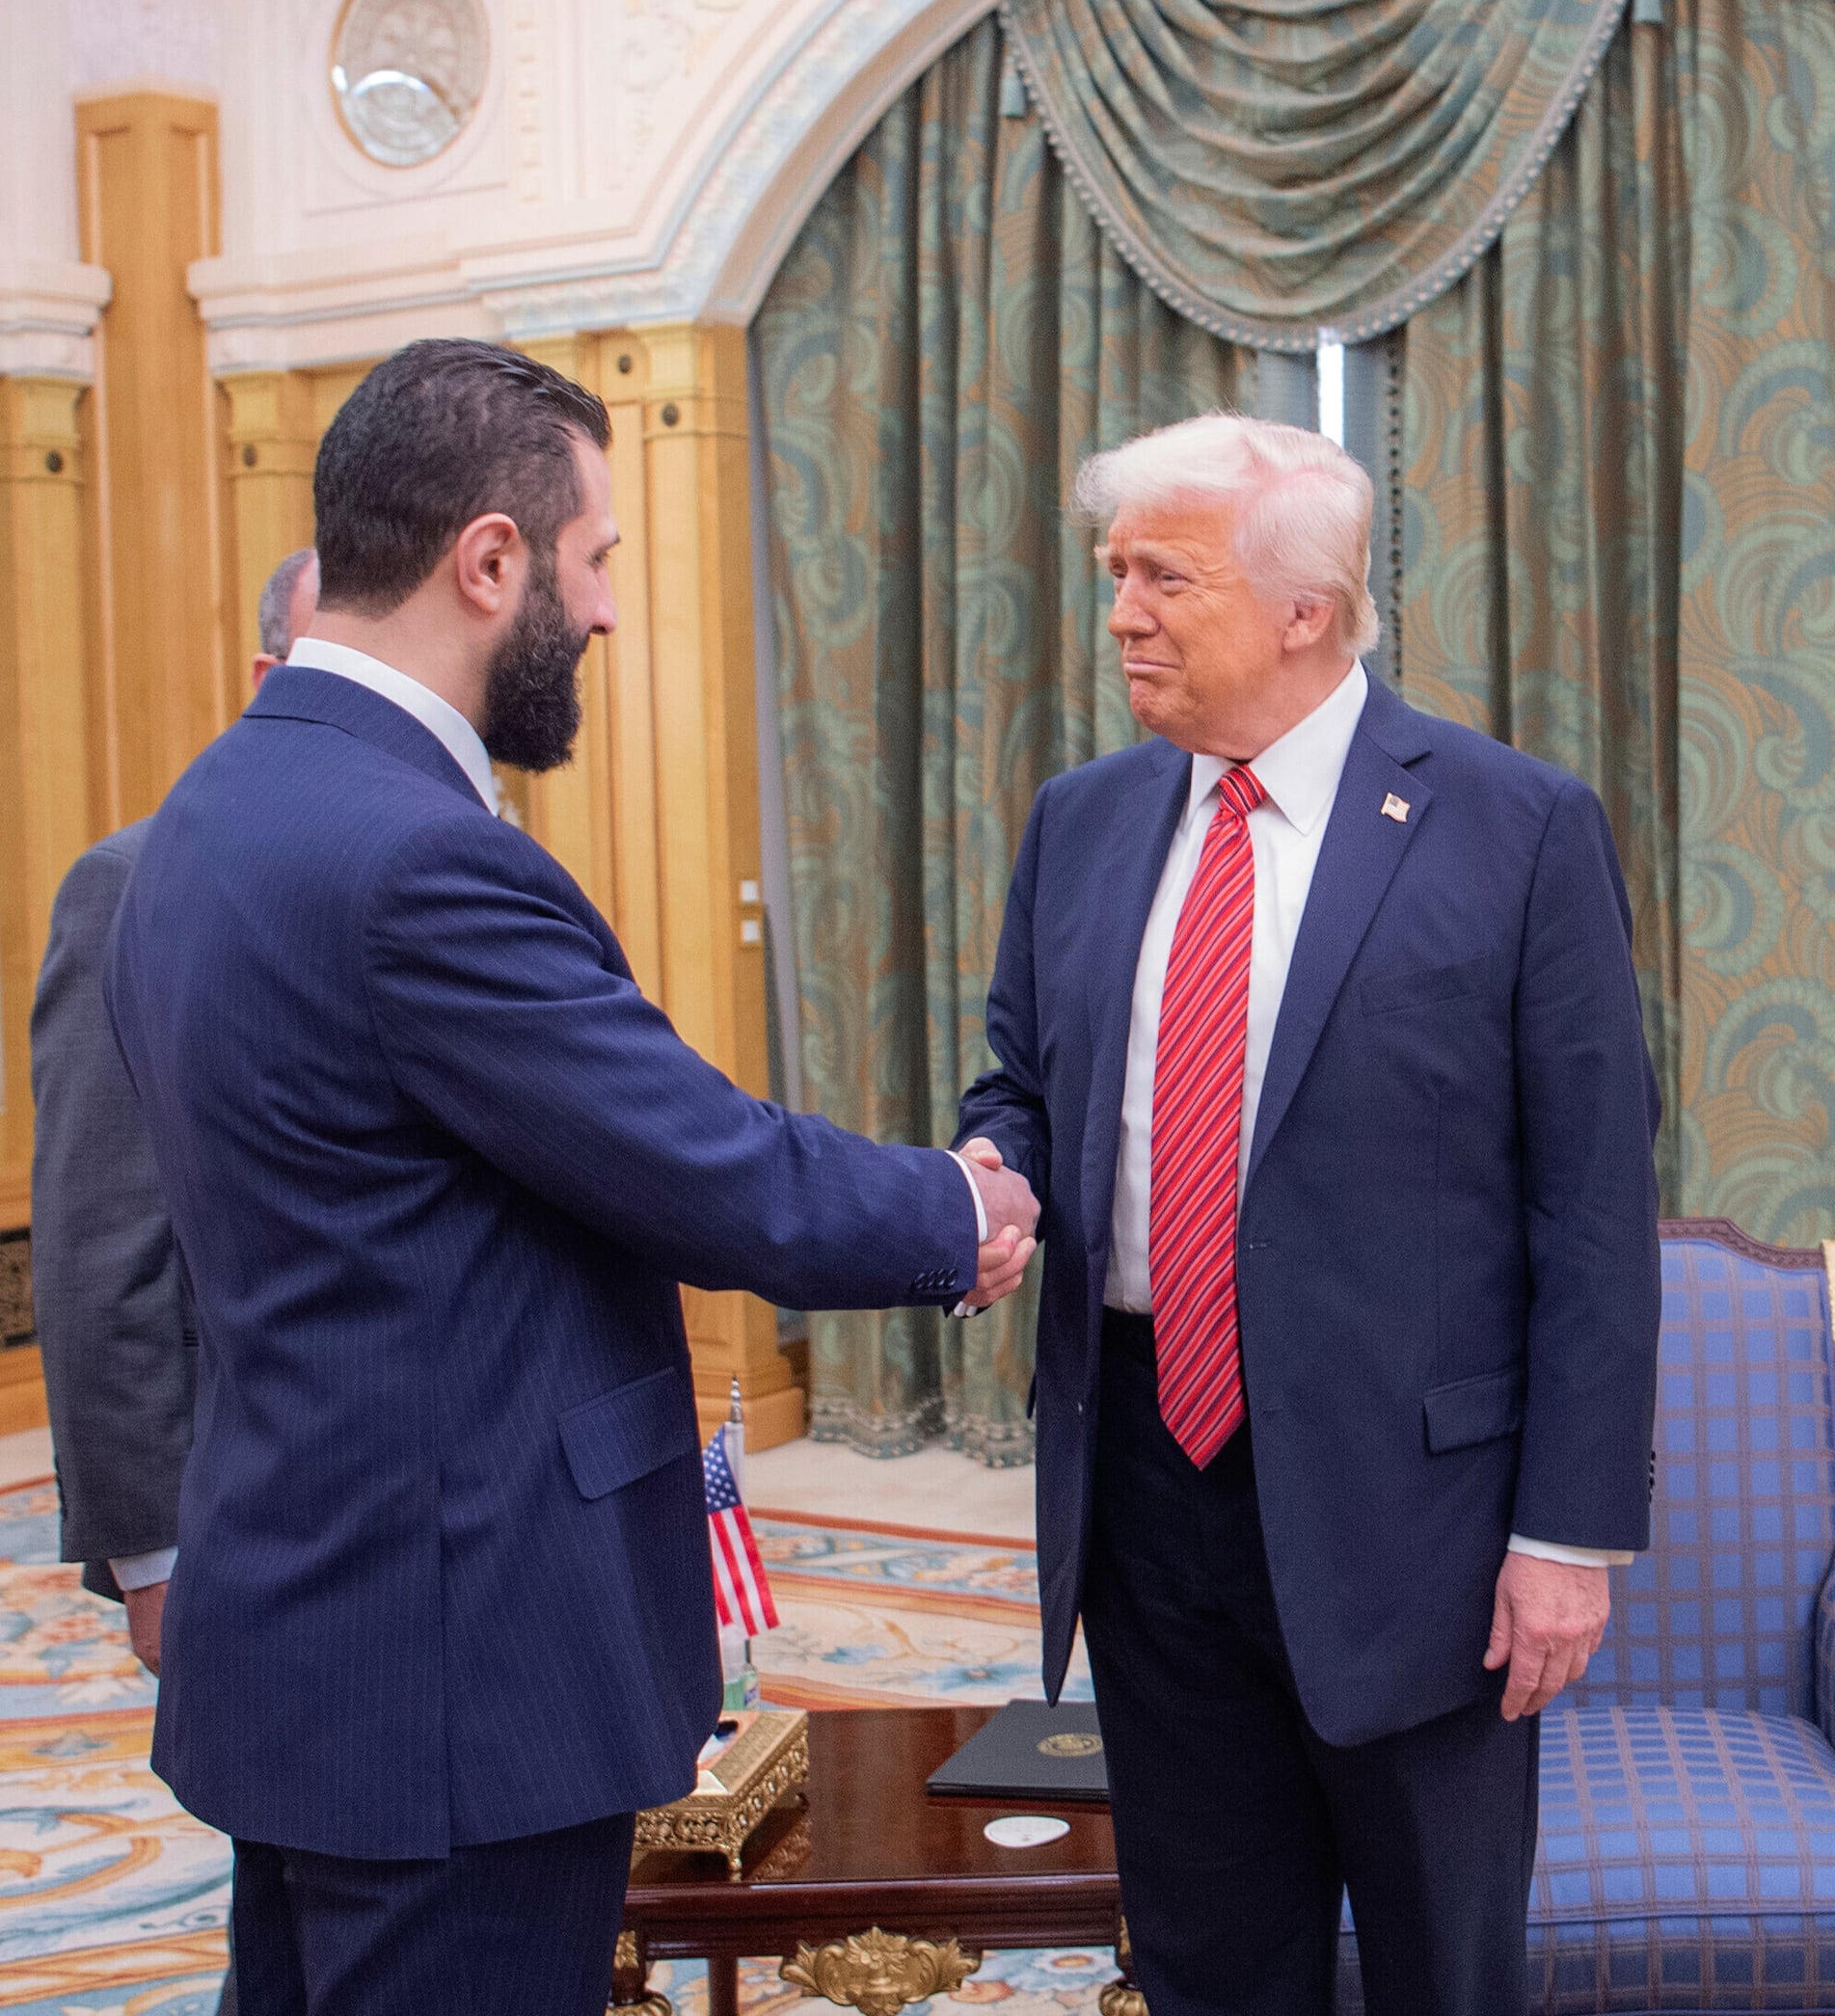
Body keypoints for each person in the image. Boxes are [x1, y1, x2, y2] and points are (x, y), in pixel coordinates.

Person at [107, 338, 1041, 2014]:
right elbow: (704, 1167)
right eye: (595, 558)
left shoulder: (206, 815)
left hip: (309, 1637)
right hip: (455, 1677)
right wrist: (960, 1210)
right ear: (489, 559)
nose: (606, 610)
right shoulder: (419, 863)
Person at [952, 413, 1660, 2016]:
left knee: (1438, 1969)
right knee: (1208, 1966)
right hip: (1144, 1486)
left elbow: (1598, 1211)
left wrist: (1567, 1537)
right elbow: (1021, 1083)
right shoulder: (1081, 819)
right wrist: (993, 1171)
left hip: (1420, 1522)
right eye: (1114, 571)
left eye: (1162, 576)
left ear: (1304, 609)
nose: (1120, 610)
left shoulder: (1514, 826)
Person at [33, 547, 316, 1672]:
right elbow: (100, 1249)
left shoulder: (476, 871)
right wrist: (153, 1559)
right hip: (247, 1506)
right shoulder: (133, 886)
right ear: (267, 676)